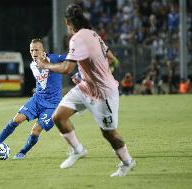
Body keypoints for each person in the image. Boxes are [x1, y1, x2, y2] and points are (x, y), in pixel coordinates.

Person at [36, 4, 135, 177]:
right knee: (58, 117)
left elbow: (67, 68)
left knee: (109, 134)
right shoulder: (93, 34)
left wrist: (46, 65)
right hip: (85, 87)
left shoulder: (77, 39)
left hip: (103, 93)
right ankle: (78, 150)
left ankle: (127, 162)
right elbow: (113, 60)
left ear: (67, 22)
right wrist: (91, 73)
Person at [0, 38, 66, 159]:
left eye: (37, 50)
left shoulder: (54, 59)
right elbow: (42, 82)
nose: (34, 53)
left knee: (35, 130)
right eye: (32, 50)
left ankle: (22, 152)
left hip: (53, 105)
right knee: (16, 119)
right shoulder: (33, 65)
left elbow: (72, 58)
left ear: (43, 51)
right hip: (37, 100)